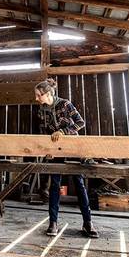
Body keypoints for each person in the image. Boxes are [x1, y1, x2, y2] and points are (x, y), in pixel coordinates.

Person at [35, 77, 98, 238]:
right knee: (54, 185)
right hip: (56, 151)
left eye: (38, 95)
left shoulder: (65, 104)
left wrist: (62, 132)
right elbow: (43, 133)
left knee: (79, 184)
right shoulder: (41, 110)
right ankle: (53, 222)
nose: (36, 98)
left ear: (48, 93)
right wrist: (47, 150)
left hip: (73, 148)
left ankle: (88, 222)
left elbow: (80, 122)